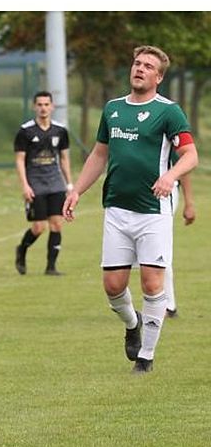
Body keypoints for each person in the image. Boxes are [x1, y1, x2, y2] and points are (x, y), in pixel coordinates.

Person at [63, 45, 198, 374]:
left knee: (153, 284)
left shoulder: (168, 112)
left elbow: (191, 156)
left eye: (148, 66)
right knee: (112, 286)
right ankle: (131, 323)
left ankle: (146, 357)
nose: (139, 68)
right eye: (137, 63)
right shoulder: (112, 109)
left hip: (153, 210)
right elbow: (98, 155)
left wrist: (170, 176)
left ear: (159, 77)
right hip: (117, 210)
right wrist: (77, 190)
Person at [13, 91, 73, 276]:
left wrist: (69, 184)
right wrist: (25, 185)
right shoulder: (25, 131)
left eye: (46, 104)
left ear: (52, 107)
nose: (43, 108)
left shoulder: (60, 131)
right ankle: (22, 249)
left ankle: (51, 267)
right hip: (35, 184)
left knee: (56, 224)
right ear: (34, 107)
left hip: (55, 183)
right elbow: (20, 160)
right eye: (39, 105)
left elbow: (63, 158)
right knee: (39, 227)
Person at [164, 170, 195, 318]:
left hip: (165, 192)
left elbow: (184, 165)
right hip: (135, 193)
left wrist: (189, 203)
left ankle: (169, 305)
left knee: (160, 248)